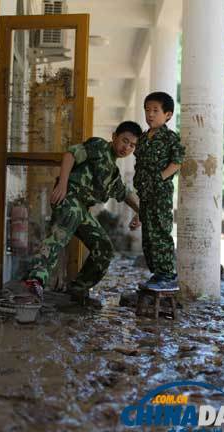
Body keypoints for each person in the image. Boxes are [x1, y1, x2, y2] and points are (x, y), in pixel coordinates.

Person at [25, 121, 142, 303]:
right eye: (124, 141)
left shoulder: (113, 174)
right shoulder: (99, 146)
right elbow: (71, 154)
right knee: (60, 234)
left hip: (82, 210)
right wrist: (62, 184)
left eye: (132, 145)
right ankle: (35, 278)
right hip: (70, 198)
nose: (126, 147)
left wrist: (140, 212)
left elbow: (125, 194)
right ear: (114, 137)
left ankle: (78, 289)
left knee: (104, 248)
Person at [131, 92, 185, 289]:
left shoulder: (170, 138)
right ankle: (157, 274)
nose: (150, 115)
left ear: (168, 115)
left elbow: (177, 162)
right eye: (147, 110)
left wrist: (159, 178)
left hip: (160, 194)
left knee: (161, 233)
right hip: (145, 193)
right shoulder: (143, 139)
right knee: (148, 236)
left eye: (155, 110)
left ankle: (168, 275)